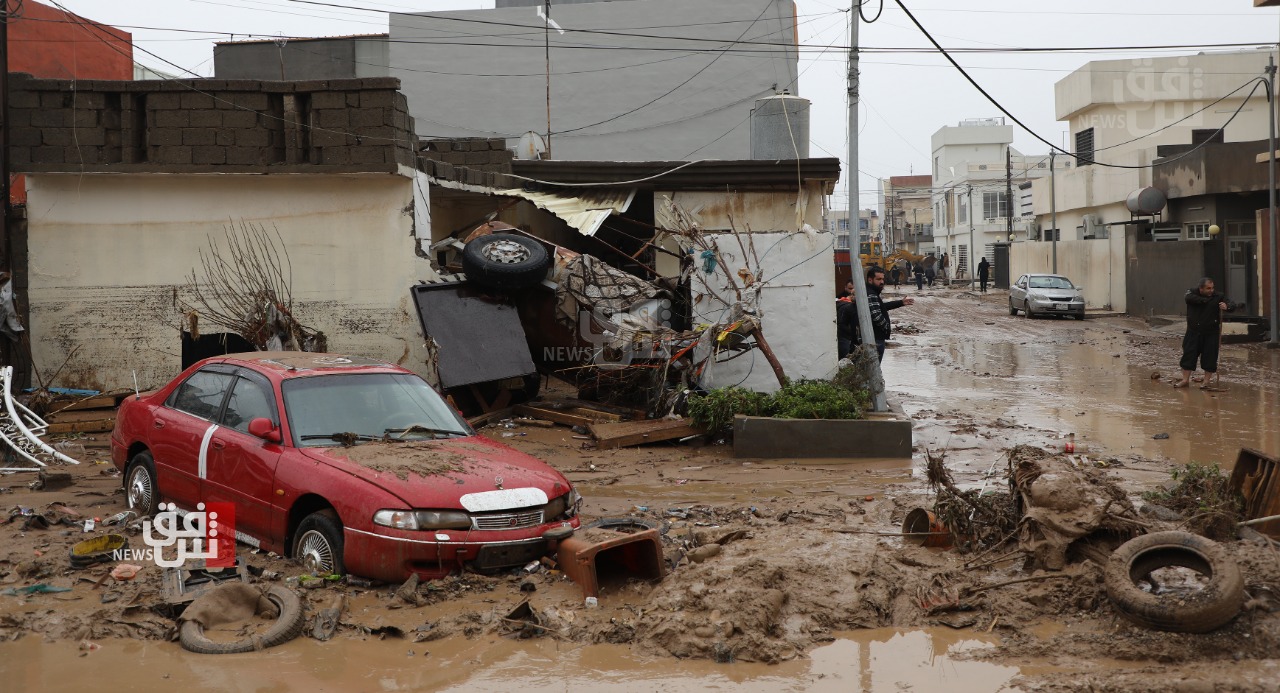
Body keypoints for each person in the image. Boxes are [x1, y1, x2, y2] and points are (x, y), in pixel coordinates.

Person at [1174, 277, 1236, 389]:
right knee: (1189, 355)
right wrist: (1208, 301)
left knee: (1210, 357)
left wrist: (1227, 306)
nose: (1211, 290)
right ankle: (1185, 380)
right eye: (1208, 288)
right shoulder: (1191, 293)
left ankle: (1206, 382)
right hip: (1193, 332)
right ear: (1201, 288)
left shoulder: (1218, 296)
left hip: (1211, 332)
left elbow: (1231, 304)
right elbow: (1189, 298)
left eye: (1212, 288)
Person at [855, 266, 914, 361]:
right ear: (870, 280)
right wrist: (886, 327)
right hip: (876, 339)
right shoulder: (871, 294)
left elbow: (880, 307)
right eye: (878, 279)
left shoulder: (870, 292)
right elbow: (877, 316)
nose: (882, 282)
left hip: (872, 338)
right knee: (874, 370)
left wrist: (900, 303)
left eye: (883, 279)